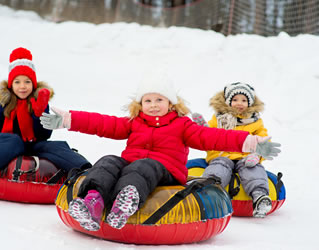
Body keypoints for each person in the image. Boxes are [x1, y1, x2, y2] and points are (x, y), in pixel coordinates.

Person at [40, 71, 280, 231]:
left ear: (171, 103)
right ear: (140, 104)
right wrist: (66, 120)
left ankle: (126, 202)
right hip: (132, 166)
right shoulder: (134, 122)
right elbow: (102, 123)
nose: (154, 105)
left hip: (165, 171)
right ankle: (93, 202)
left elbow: (213, 136)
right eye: (148, 101)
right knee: (109, 161)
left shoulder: (183, 125)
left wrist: (252, 143)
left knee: (144, 166)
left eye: (159, 100)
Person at [0, 47, 91, 181]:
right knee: (12, 140)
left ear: (33, 84)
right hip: (9, 143)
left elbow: (45, 134)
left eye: (27, 81)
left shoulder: (39, 102)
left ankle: (84, 170)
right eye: (17, 82)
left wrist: (39, 113)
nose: (22, 86)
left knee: (54, 146)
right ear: (11, 84)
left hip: (34, 143)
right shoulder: (4, 102)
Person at [192, 82, 275, 218]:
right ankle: (209, 193)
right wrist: (203, 129)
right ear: (227, 102)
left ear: (251, 103)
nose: (239, 103)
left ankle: (259, 196)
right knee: (219, 167)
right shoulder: (219, 120)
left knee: (253, 169)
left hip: (246, 157)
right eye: (235, 100)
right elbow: (210, 136)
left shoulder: (255, 122)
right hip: (222, 154)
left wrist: (257, 155)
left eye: (244, 100)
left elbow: (264, 140)